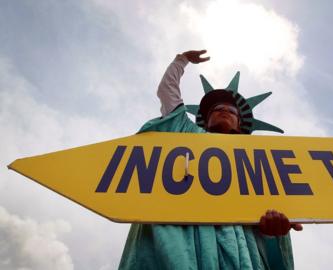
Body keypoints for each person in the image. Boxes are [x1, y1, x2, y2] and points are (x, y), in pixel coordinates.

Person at [119, 50, 302, 270]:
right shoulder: (185, 132)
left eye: (230, 111)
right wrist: (181, 60)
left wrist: (273, 230)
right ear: (206, 119)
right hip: (182, 237)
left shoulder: (257, 159)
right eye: (218, 109)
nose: (224, 111)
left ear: (239, 123)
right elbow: (167, 92)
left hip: (243, 248)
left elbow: (267, 211)